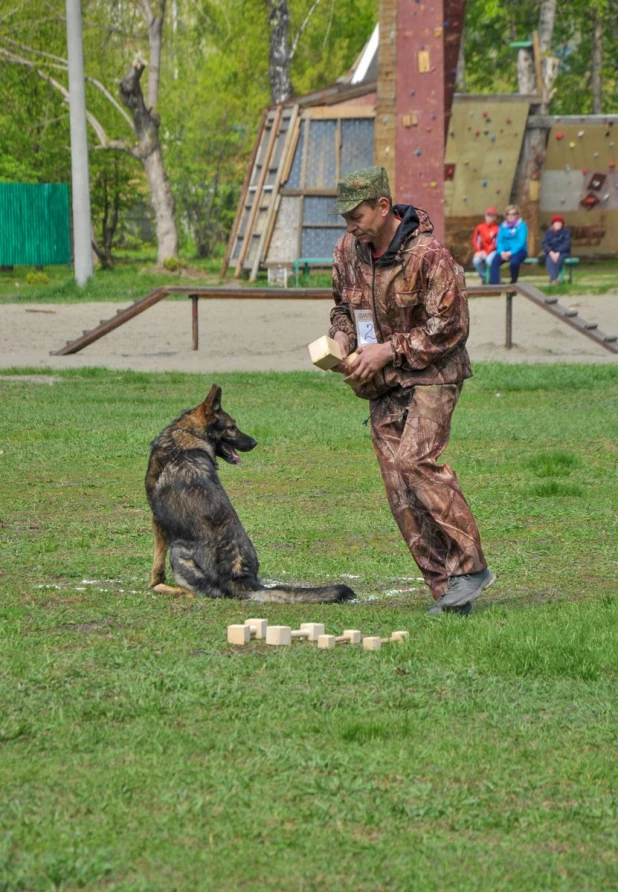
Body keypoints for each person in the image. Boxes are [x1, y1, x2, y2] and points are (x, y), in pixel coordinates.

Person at [327, 165, 495, 615]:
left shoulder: (429, 254)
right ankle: (447, 591)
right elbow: (342, 308)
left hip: (434, 374)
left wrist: (388, 350)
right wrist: (341, 341)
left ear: (383, 207)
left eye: (356, 215)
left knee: (415, 460)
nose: (349, 226)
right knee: (398, 488)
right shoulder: (348, 252)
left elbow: (451, 327)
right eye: (344, 218)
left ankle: (470, 567)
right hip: (380, 383)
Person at [489, 204, 528, 285]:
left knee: (514, 262)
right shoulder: (503, 226)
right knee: (495, 261)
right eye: (508, 214)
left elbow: (521, 242)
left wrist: (511, 252)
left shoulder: (522, 225)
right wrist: (502, 252)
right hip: (504, 251)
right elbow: (499, 240)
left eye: (513, 214)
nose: (510, 216)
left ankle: (513, 282)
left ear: (517, 215)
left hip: (519, 251)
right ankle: (494, 284)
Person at [471, 207, 499, 283]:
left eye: (492, 216)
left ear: (495, 217)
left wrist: (487, 253)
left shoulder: (497, 228)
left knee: (489, 260)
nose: (489, 218)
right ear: (485, 216)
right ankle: (484, 277)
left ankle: (492, 278)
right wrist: (478, 251)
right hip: (482, 251)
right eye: (488, 215)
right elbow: (475, 240)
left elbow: (495, 243)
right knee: (476, 261)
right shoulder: (480, 227)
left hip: (492, 251)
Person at [541, 214, 571, 285]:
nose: (558, 224)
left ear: (562, 224)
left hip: (562, 253)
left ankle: (553, 278)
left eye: (559, 223)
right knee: (549, 259)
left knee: (558, 259)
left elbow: (566, 244)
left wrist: (558, 252)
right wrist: (551, 252)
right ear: (553, 224)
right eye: (556, 223)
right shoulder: (548, 233)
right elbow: (544, 244)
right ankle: (554, 279)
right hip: (550, 252)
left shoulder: (566, 232)